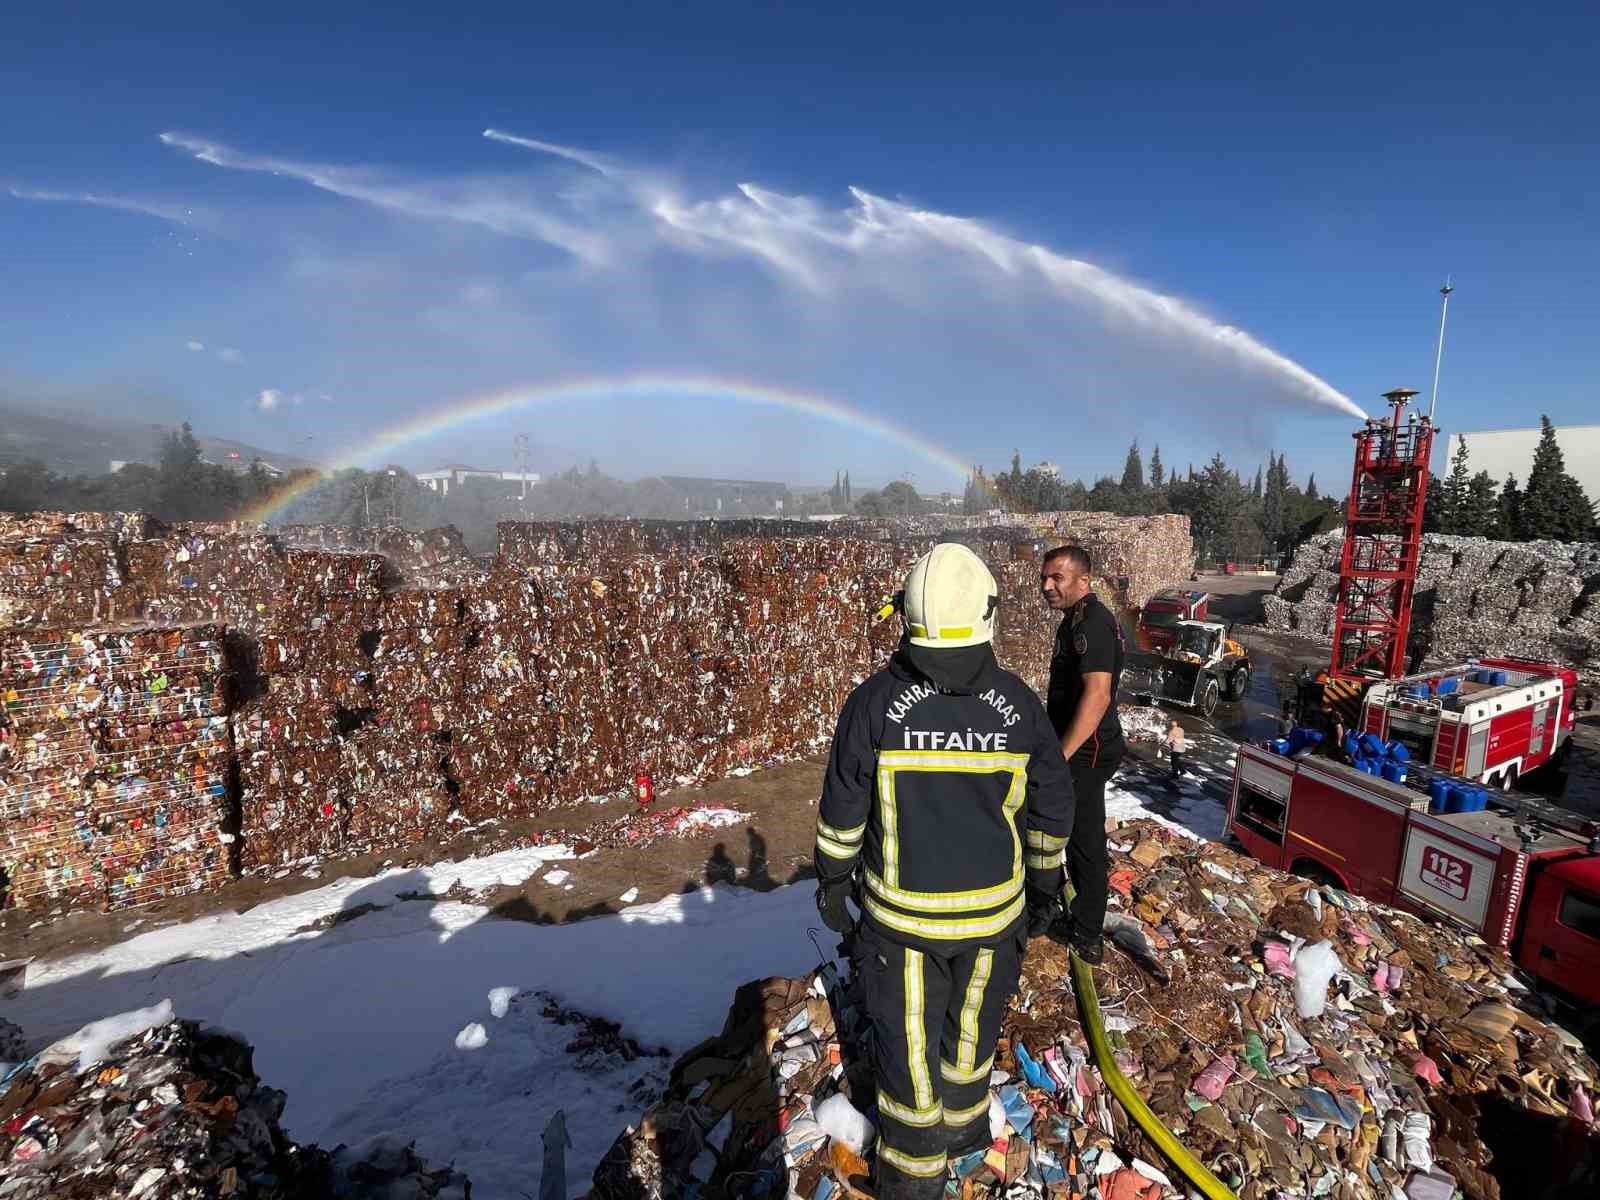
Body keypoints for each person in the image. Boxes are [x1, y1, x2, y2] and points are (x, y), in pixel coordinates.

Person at [813, 543, 1074, 1199]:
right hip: (994, 923)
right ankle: (964, 1133)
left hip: (901, 929)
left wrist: (833, 884)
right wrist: (1045, 887)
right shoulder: (1019, 706)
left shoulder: (873, 704)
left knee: (908, 1056)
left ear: (908, 615)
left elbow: (844, 809)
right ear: (987, 614)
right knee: (971, 1035)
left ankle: (913, 1178)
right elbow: (1051, 809)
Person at [1040, 545, 1124, 964]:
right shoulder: (1075, 620)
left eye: (1057, 577)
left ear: (1083, 581)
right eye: (1044, 577)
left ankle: (1087, 933)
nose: (1046, 585)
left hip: (1087, 752)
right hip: (1078, 749)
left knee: (1083, 839)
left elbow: (1098, 695)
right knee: (1072, 832)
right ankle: (1067, 907)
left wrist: (1062, 756)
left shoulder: (1092, 622)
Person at [1164, 718, 1187, 785]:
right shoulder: (1181, 730)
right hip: (1182, 748)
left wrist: (1162, 744)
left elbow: (1168, 740)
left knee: (1173, 762)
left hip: (1176, 749)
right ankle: (1183, 771)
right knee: (1177, 760)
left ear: (1171, 725)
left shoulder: (1171, 731)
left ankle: (1175, 775)